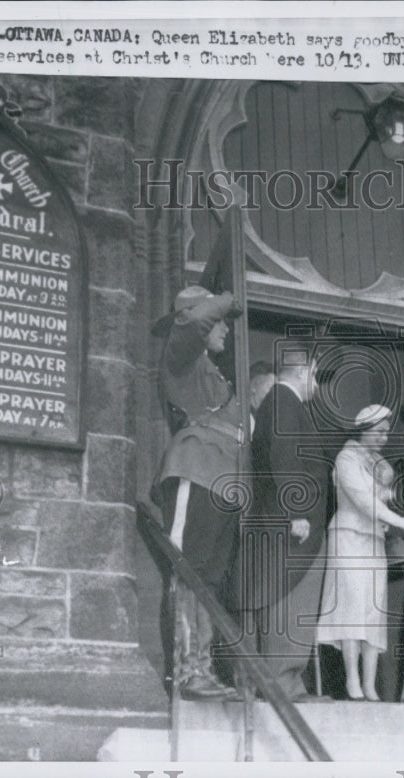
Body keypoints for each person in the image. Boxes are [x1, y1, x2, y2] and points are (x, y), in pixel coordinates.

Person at [150, 285, 244, 700]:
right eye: (219, 322)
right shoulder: (182, 355)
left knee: (208, 578)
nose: (224, 329)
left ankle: (201, 669)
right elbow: (190, 323)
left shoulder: (208, 367)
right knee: (188, 572)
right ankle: (188, 671)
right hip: (196, 469)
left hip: (222, 481)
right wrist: (228, 298)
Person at [241, 345, 332, 702]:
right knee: (290, 603)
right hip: (293, 528)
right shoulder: (283, 400)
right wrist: (296, 513)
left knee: (293, 603)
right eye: (316, 375)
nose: (317, 384)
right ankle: (285, 684)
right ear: (304, 369)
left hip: (295, 526)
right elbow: (283, 454)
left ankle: (287, 681)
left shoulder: (284, 402)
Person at [317, 404, 404, 701]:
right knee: (351, 608)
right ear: (362, 431)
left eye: (386, 432)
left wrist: (394, 487)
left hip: (373, 540)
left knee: (373, 611)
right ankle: (352, 681)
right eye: (378, 432)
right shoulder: (346, 458)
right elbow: (366, 503)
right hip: (349, 537)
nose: (384, 437)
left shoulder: (376, 462)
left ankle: (369, 685)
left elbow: (383, 494)